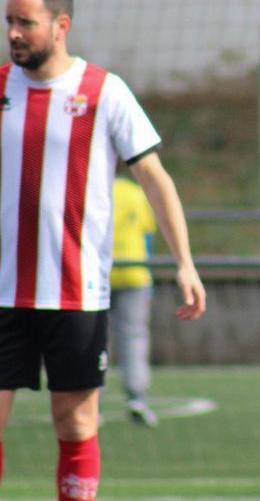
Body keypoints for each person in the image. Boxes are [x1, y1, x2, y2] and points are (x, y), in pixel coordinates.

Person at [0, 0, 207, 501]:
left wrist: (185, 263)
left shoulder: (105, 91)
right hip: (1, 293)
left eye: (26, 23)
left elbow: (155, 177)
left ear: (61, 26)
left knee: (76, 422)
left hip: (77, 295)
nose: (14, 33)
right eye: (9, 22)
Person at [109, 174, 159, 427]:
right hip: (134, 271)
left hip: (97, 273)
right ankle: (137, 398)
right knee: (134, 335)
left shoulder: (89, 189)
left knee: (92, 339)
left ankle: (89, 401)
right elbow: (147, 235)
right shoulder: (136, 193)